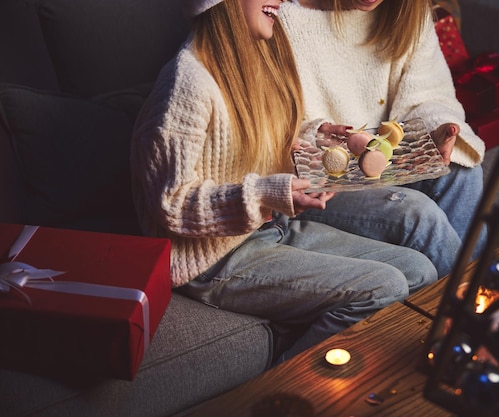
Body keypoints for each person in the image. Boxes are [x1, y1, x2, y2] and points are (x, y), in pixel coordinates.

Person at [130, 0, 437, 363]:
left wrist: (322, 137)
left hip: (265, 230)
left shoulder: (256, 59)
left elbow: (270, 137)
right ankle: (280, 392)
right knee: (385, 287)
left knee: (420, 271)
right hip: (212, 261)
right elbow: (170, 202)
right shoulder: (187, 82)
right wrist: (265, 194)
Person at [280, 0, 488, 278]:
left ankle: (481, 293)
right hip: (319, 177)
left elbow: (427, 94)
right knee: (417, 214)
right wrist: (320, 139)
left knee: (464, 175)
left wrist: (435, 129)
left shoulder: (407, 12)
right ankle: (465, 308)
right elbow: (266, 126)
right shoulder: (275, 15)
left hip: (383, 160)